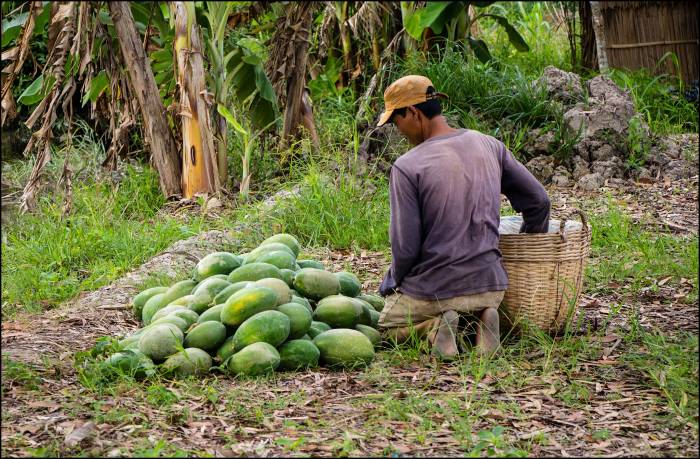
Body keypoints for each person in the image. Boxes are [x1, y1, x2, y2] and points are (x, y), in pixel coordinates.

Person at [376, 75, 551, 360]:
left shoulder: (407, 167)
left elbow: (405, 249)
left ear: (412, 113)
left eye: (396, 122)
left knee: (384, 328)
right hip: (492, 287)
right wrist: (526, 252)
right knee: (466, 309)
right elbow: (539, 201)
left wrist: (393, 280)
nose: (399, 131)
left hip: (436, 290)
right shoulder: (489, 145)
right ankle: (484, 320)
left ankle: (432, 327)